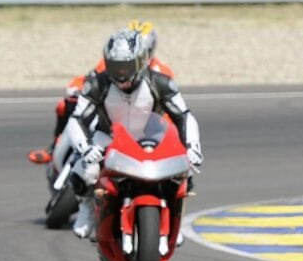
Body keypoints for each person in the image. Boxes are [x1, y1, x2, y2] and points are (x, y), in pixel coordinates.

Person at [65, 27, 203, 238]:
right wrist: (86, 148)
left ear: (141, 61)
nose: (121, 73)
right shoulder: (96, 84)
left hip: (150, 137)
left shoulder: (160, 82)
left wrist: (192, 147)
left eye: (127, 66)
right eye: (115, 66)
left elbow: (184, 115)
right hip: (108, 136)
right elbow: (77, 119)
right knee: (84, 171)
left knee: (185, 171)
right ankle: (86, 206)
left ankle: (174, 218)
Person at [27, 20, 175, 174]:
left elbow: (171, 108)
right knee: (66, 105)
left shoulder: (162, 72)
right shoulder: (115, 61)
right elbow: (90, 79)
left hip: (145, 125)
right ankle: (55, 147)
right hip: (110, 118)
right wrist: (78, 87)